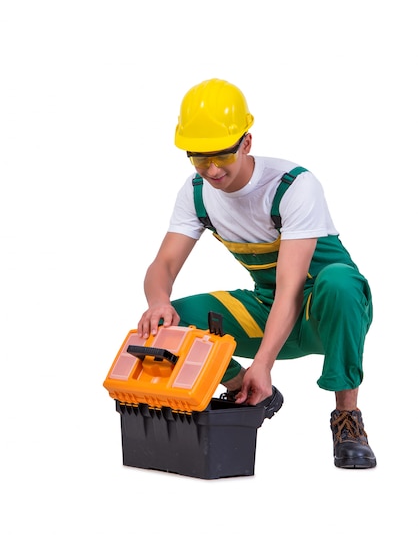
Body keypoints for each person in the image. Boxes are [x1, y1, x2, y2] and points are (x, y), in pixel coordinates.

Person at [137, 78, 376, 469]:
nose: (212, 170)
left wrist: (263, 362)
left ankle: (347, 419)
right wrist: (158, 301)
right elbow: (162, 265)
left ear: (246, 143)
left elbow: (291, 287)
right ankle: (249, 394)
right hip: (269, 308)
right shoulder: (196, 193)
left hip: (328, 311)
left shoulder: (292, 186)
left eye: (222, 156)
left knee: (339, 281)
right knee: (174, 322)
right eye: (199, 158)